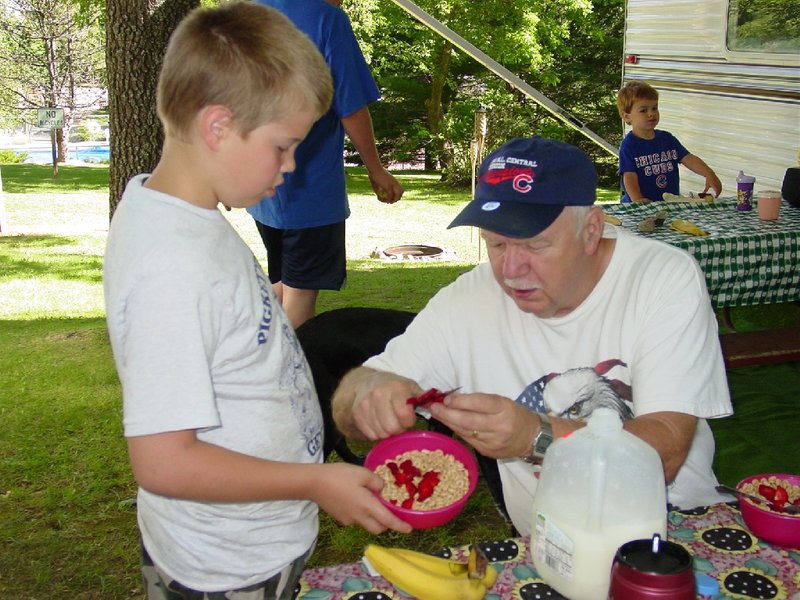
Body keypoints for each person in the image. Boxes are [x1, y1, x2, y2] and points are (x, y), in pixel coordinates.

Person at [103, 4, 411, 598]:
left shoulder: (185, 216)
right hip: (225, 566)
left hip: (252, 539)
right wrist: (316, 481)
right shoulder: (172, 264)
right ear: (217, 126)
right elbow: (164, 463)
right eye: (283, 145)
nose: (292, 167)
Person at [331, 136, 734, 537]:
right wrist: (369, 395)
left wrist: (535, 436)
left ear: (591, 230)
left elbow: (665, 450)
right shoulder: (469, 299)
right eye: (496, 243)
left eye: (535, 244)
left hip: (675, 527)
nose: (510, 270)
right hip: (549, 543)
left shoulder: (661, 277)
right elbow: (352, 396)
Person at [247, 0, 405, 329]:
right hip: (309, 194)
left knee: (281, 284)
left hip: (262, 192)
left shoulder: (250, 11)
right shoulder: (327, 20)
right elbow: (350, 107)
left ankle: (258, 371)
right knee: (300, 297)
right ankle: (291, 379)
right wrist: (376, 169)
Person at [616, 80, 722, 203]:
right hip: (640, 208)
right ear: (627, 116)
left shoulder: (667, 138)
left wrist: (709, 174)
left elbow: (689, 159)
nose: (651, 114)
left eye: (654, 108)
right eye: (643, 110)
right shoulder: (629, 145)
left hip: (670, 204)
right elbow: (629, 177)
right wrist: (638, 199)